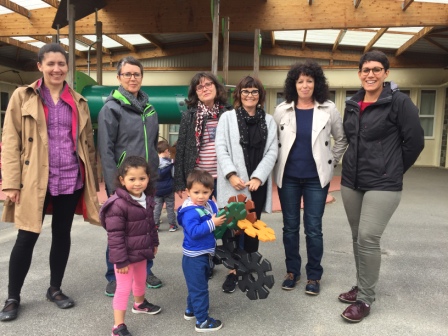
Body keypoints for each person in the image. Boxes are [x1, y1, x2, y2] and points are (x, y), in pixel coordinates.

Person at [0, 43, 99, 322]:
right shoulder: (23, 96)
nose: (57, 69)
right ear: (40, 66)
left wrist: (92, 178)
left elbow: (87, 144)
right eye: (51, 63)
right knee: (26, 237)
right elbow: (10, 141)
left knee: (62, 235)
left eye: (61, 64)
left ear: (68, 67)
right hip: (34, 179)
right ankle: (12, 297)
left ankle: (55, 288)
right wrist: (11, 182)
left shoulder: (79, 101)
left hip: (70, 177)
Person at [338, 50, 424, 323]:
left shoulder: (399, 102)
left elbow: (415, 142)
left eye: (376, 69)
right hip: (352, 180)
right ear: (360, 73)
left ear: (386, 73)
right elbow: (352, 138)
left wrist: (393, 169)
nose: (370, 74)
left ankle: (365, 298)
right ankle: (361, 285)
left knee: (368, 237)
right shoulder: (353, 102)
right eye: (365, 70)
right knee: (356, 237)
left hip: (383, 183)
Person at [273, 61, 347, 295]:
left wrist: (331, 161)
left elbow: (341, 139)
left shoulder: (328, 109)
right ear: (293, 84)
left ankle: (314, 275)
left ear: (317, 83)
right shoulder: (282, 110)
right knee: (290, 227)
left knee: (313, 228)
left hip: (317, 179)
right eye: (300, 81)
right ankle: (292, 271)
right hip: (290, 178)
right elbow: (273, 143)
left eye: (309, 81)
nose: (305, 85)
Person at [98, 56, 162, 297]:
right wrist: (115, 185)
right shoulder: (111, 109)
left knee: (145, 227)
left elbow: (154, 144)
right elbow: (105, 149)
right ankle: (113, 274)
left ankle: (146, 270)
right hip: (125, 182)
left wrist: (153, 172)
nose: (132, 78)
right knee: (119, 229)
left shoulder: (150, 109)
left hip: (147, 180)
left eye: (136, 74)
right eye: (127, 74)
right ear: (118, 78)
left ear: (141, 77)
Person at [215, 76, 278, 293]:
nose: (249, 95)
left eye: (254, 91)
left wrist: (259, 177)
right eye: (245, 91)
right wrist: (231, 174)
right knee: (231, 230)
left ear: (260, 95)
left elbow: (272, 151)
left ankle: (248, 266)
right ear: (238, 95)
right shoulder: (227, 118)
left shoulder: (268, 121)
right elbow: (221, 147)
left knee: (252, 229)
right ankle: (233, 271)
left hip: (255, 185)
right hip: (233, 184)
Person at [100, 156, 161, 336]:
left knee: (141, 278)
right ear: (122, 180)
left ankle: (140, 304)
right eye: (132, 179)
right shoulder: (117, 204)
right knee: (123, 288)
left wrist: (154, 242)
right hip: (124, 256)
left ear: (148, 178)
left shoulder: (147, 198)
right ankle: (118, 326)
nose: (137, 183)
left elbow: (151, 224)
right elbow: (115, 236)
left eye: (142, 178)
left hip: (141, 249)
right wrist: (121, 260)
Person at [177, 170, 226, 332]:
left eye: (205, 192)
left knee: (197, 285)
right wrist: (213, 223)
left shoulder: (210, 204)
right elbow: (194, 231)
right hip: (194, 257)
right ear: (188, 191)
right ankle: (202, 321)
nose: (200, 196)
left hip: (206, 253)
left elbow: (218, 221)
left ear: (211, 191)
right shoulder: (189, 212)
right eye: (196, 192)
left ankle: (191, 310)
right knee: (200, 289)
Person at [174, 71, 231, 200]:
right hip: (200, 178)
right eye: (200, 87)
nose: (205, 89)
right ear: (196, 93)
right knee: (202, 215)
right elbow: (181, 149)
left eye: (208, 84)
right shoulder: (189, 116)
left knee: (226, 215)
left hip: (224, 176)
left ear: (216, 86)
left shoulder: (228, 113)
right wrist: (179, 183)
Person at [154, 140, 178, 232]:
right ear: (166, 151)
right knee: (170, 207)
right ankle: (172, 225)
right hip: (169, 189)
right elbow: (173, 175)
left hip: (157, 190)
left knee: (156, 208)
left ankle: (155, 225)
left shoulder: (154, 162)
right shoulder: (170, 163)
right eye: (169, 151)